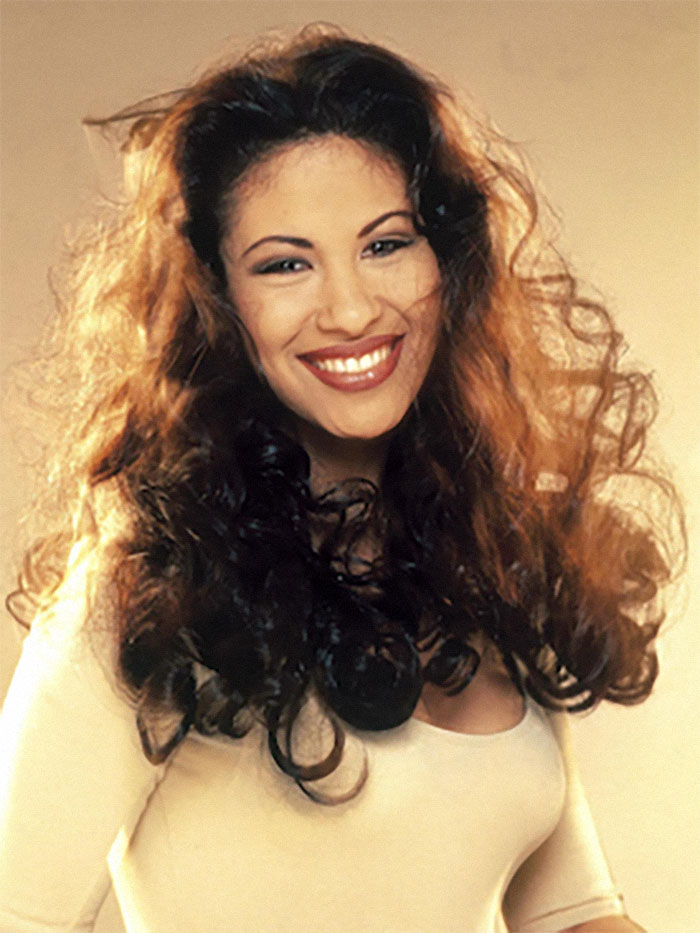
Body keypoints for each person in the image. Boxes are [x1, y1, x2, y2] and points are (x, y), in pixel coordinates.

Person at [0, 24, 683, 933]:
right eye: (285, 263)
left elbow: (573, 916)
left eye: (386, 243)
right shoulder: (146, 593)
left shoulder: (483, 560)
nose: (354, 308)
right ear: (220, 302)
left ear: (449, 262)